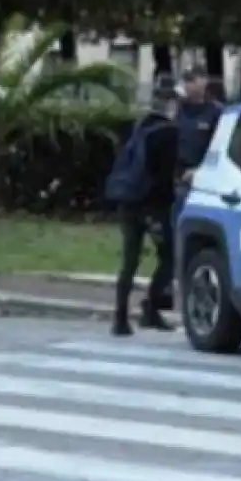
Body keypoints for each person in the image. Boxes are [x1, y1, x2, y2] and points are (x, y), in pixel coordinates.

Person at [106, 85, 183, 335]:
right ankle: (150, 307)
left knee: (129, 259)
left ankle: (120, 317)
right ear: (171, 105)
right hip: (152, 206)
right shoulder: (168, 132)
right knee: (170, 256)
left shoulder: (139, 127)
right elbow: (163, 176)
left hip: (128, 202)